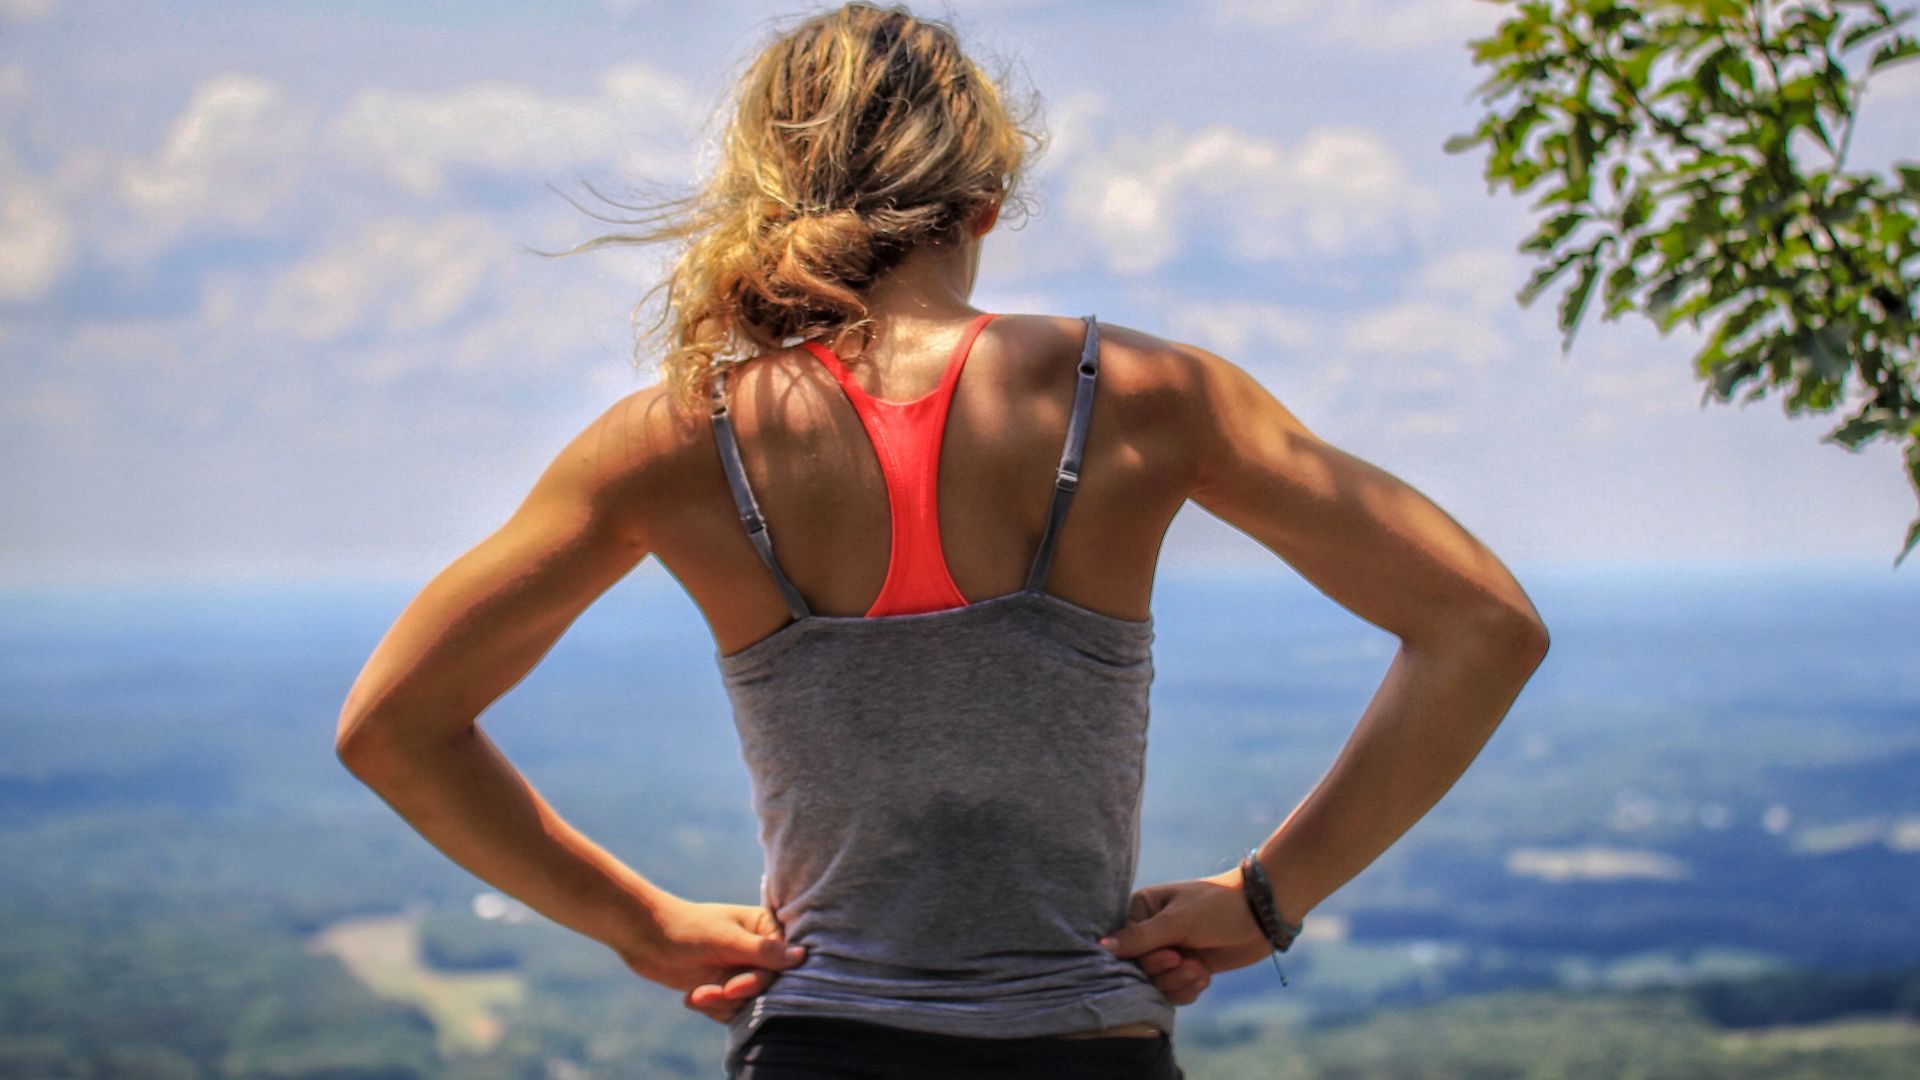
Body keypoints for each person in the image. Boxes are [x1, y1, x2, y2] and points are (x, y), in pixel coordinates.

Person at [334, 3, 1551, 1078]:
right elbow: (1483, 625)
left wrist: (639, 924)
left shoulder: (676, 441)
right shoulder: (1133, 395)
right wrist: (1269, 899)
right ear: (984, 204)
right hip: (1087, 1053)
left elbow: (394, 726)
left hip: (817, 1047)